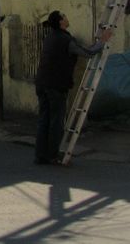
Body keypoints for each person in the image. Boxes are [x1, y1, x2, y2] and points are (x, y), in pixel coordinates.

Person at [33, 10, 112, 165]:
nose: (67, 17)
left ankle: (40, 155)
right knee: (56, 121)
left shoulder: (50, 37)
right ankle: (53, 156)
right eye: (64, 16)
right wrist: (102, 41)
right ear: (61, 22)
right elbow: (88, 53)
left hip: (42, 83)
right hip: (56, 86)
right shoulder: (65, 40)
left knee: (44, 119)